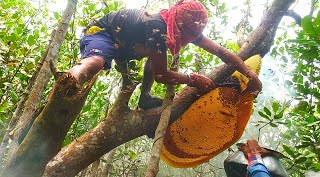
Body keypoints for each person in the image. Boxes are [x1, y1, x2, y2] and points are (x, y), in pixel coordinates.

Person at [68, 0, 262, 109]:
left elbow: (220, 51)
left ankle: (144, 97)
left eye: (191, 36)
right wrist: (192, 79)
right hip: (104, 34)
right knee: (95, 62)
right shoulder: (158, 28)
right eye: (186, 34)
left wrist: (249, 73)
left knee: (155, 56)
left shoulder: (185, 27)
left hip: (129, 47)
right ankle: (68, 82)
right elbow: (161, 75)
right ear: (179, 25)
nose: (188, 38)